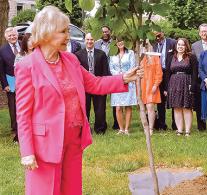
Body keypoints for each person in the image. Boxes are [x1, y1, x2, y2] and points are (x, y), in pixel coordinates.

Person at [15, 6, 142, 195]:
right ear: (47, 33)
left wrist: (123, 78)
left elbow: (94, 84)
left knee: (72, 190)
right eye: (63, 31)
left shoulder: (71, 60)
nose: (68, 35)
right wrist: (27, 151)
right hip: (45, 146)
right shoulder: (27, 66)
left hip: (73, 140)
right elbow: (23, 114)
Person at [75, 33, 110, 134]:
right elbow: (77, 72)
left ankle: (100, 129)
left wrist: (105, 85)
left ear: (95, 41)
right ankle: (85, 130)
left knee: (100, 109)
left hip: (98, 85)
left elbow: (105, 71)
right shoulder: (78, 55)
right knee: (85, 109)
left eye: (91, 39)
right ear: (84, 41)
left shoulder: (101, 54)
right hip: (85, 86)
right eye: (87, 39)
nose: (89, 41)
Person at [165, 38, 198, 136]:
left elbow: (195, 72)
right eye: (178, 44)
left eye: (182, 45)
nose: (180, 46)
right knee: (176, 107)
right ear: (176, 46)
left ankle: (187, 131)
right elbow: (167, 73)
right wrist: (166, 88)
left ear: (186, 46)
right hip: (173, 83)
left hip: (186, 83)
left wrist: (193, 86)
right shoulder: (171, 57)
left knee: (187, 107)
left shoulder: (191, 57)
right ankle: (179, 130)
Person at [109, 37, 138, 135]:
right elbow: (111, 68)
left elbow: (132, 66)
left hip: (128, 81)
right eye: (118, 42)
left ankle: (126, 129)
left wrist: (125, 76)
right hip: (117, 81)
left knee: (128, 106)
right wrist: (119, 76)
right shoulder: (112, 54)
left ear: (125, 42)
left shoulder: (130, 53)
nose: (120, 43)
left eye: (122, 41)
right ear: (115, 43)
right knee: (118, 107)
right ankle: (121, 128)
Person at [94, 25, 120, 130]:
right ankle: (102, 123)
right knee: (101, 101)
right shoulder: (96, 44)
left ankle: (117, 123)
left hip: (114, 73)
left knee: (115, 99)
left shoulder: (115, 43)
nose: (105, 33)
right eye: (103, 32)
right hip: (101, 75)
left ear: (110, 32)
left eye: (107, 32)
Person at [0, 27, 21, 142]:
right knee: (13, 106)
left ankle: (26, 125)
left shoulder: (24, 45)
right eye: (10, 36)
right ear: (6, 37)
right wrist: (5, 85)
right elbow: (1, 70)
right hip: (11, 81)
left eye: (14, 35)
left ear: (17, 35)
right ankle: (15, 129)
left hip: (25, 80)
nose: (12, 37)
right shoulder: (2, 50)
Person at [153, 31, 176, 130]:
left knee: (174, 99)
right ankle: (162, 125)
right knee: (160, 101)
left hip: (170, 73)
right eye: (155, 34)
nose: (157, 36)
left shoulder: (172, 43)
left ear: (163, 32)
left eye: (159, 33)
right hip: (158, 74)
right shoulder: (153, 44)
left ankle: (175, 125)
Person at [141, 41, 163, 135]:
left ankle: (151, 128)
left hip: (151, 85)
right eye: (143, 45)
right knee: (142, 107)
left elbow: (159, 72)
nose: (145, 46)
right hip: (142, 85)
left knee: (150, 106)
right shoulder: (140, 57)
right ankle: (144, 127)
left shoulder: (155, 57)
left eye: (147, 45)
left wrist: (155, 85)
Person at [191, 23, 207, 131]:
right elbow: (194, 64)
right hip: (199, 78)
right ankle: (201, 126)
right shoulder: (195, 45)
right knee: (199, 103)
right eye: (202, 31)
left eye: (205, 31)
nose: (204, 33)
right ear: (199, 33)